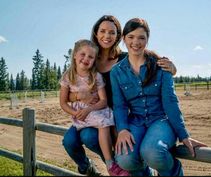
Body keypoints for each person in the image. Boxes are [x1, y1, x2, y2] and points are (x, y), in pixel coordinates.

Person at [62, 15, 179, 176]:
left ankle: (120, 168)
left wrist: (171, 67)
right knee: (69, 141)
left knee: (90, 137)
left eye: (112, 32)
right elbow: (67, 92)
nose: (106, 36)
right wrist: (80, 97)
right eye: (102, 31)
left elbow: (145, 55)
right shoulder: (90, 59)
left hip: (116, 114)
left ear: (119, 36)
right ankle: (90, 167)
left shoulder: (123, 58)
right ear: (96, 33)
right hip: (92, 112)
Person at [110, 18, 207, 176]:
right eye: (131, 37)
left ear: (147, 40)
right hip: (136, 121)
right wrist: (122, 130)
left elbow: (171, 102)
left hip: (160, 121)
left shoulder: (161, 65)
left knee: (152, 153)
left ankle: (173, 171)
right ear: (123, 39)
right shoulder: (117, 72)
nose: (136, 42)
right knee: (125, 159)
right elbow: (119, 105)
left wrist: (184, 135)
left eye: (141, 37)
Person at [59, 39, 130, 176]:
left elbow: (103, 101)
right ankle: (88, 167)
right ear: (74, 55)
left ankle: (111, 163)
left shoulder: (96, 76)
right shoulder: (68, 77)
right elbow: (63, 102)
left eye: (91, 57)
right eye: (82, 54)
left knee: (103, 124)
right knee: (68, 141)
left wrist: (89, 109)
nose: (86, 58)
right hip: (79, 116)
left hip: (95, 111)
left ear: (94, 60)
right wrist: (75, 112)